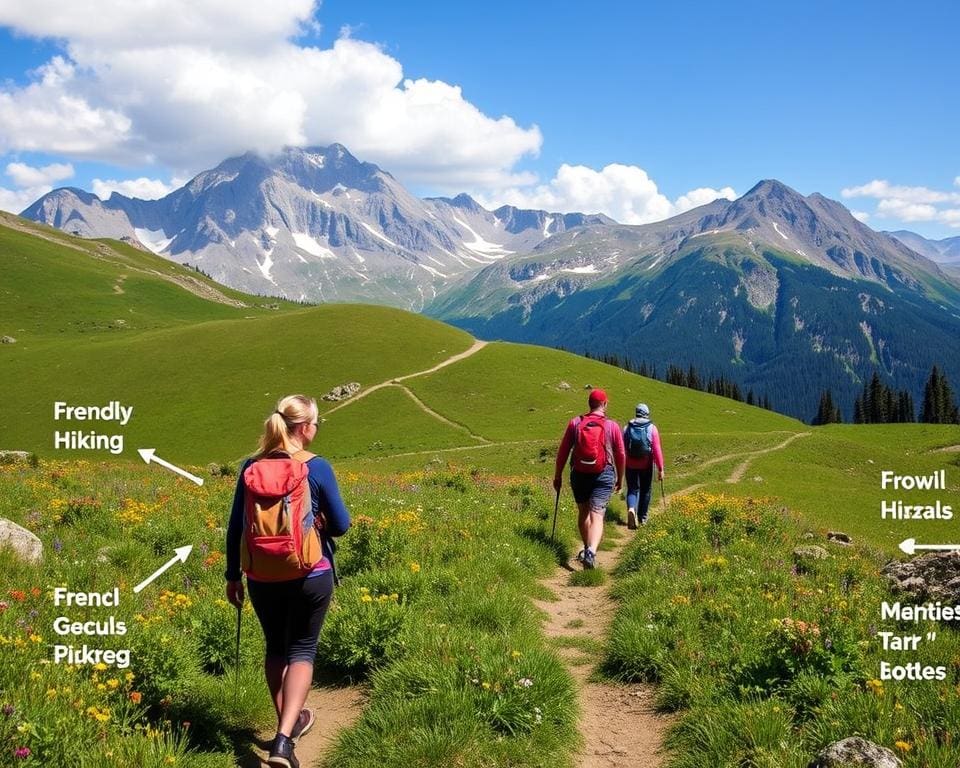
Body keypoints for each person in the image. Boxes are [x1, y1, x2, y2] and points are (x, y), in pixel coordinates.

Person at [225, 395, 350, 768]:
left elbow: (235, 528)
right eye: (316, 423)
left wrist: (233, 576)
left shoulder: (251, 467)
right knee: (302, 651)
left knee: (276, 649)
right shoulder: (317, 467)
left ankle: (289, 722)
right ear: (305, 428)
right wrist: (322, 523)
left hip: (262, 574)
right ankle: (283, 741)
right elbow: (341, 525)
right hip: (311, 572)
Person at [553, 388, 625, 568]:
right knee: (597, 514)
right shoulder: (612, 426)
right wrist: (620, 478)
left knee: (584, 512)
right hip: (604, 473)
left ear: (589, 404)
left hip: (579, 474)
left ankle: (586, 548)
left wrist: (558, 475)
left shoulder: (575, 423)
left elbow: (563, 452)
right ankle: (591, 552)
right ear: (605, 404)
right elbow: (621, 454)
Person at [623, 403, 665, 529]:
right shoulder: (652, 428)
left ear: (636, 412)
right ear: (647, 413)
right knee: (646, 490)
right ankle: (642, 518)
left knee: (632, 488)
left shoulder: (627, 428)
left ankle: (631, 508)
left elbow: (622, 448)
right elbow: (657, 449)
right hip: (646, 464)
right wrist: (660, 468)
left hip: (630, 463)